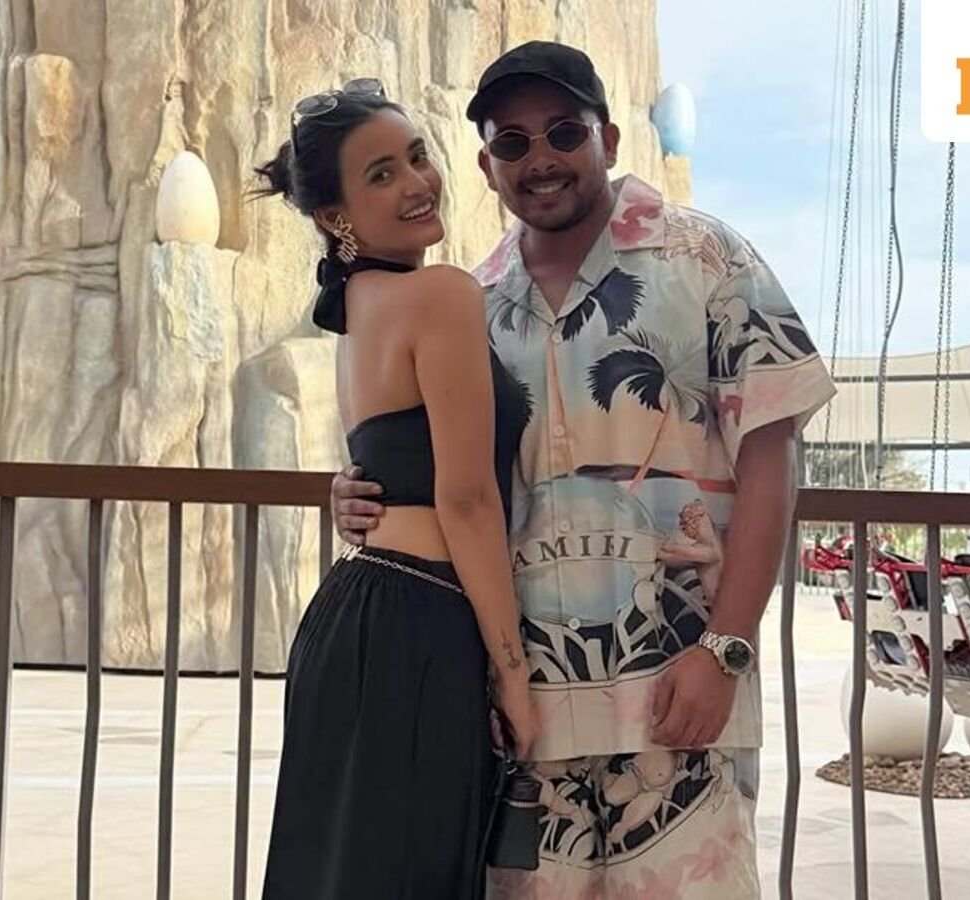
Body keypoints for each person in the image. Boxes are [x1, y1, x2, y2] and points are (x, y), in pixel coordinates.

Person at [330, 42, 837, 898]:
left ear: (606, 137)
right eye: (512, 141)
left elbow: (771, 453)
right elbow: (439, 470)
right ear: (486, 166)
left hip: (681, 697)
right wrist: (351, 489)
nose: (540, 158)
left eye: (563, 131)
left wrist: (726, 648)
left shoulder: (706, 258)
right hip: (522, 712)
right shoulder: (474, 299)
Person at [252, 78, 540, 900]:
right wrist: (511, 672)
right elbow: (465, 499)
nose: (417, 182)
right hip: (419, 624)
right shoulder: (440, 293)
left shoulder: (360, 309)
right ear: (335, 217)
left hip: (357, 620)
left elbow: (391, 463)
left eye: (416, 157)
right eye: (381, 174)